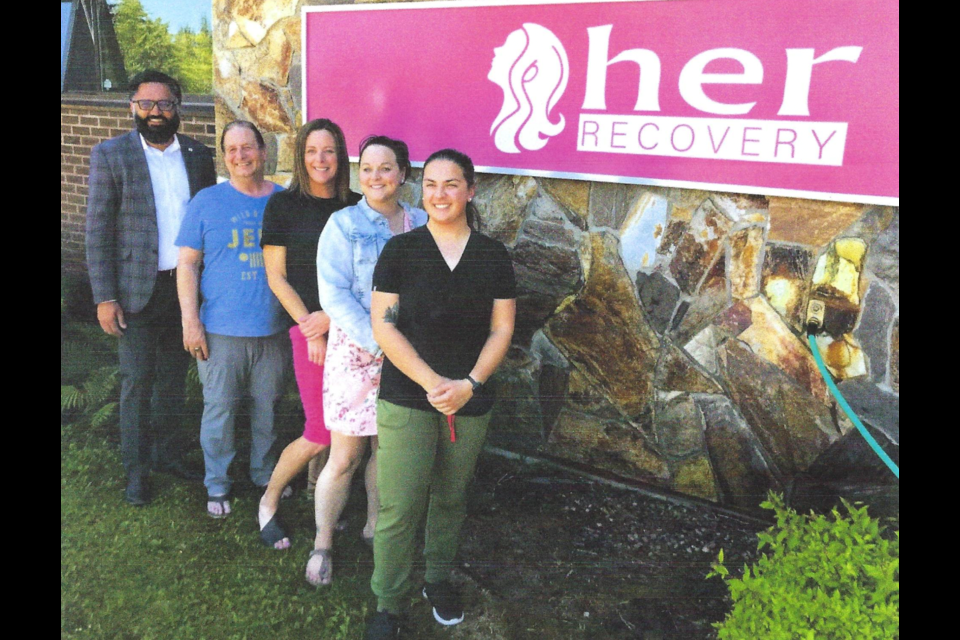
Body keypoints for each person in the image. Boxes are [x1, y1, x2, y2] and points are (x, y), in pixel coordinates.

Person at [365, 149, 516, 639]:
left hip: (470, 399)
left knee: (450, 498)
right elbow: (385, 328)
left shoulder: (493, 256)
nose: (440, 194)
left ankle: (436, 579)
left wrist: (469, 384)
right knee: (400, 505)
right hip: (409, 397)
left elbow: (502, 329)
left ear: (470, 191)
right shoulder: (401, 252)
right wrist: (433, 383)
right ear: (421, 190)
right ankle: (388, 602)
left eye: (452, 184)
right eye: (431, 184)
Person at [86, 70, 216, 506]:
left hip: (184, 290)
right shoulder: (111, 155)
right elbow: (98, 230)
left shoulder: (199, 156)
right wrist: (105, 296)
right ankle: (137, 472)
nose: (155, 112)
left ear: (178, 108)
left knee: (173, 383)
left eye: (164, 104)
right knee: (137, 383)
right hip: (135, 292)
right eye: (146, 104)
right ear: (133, 108)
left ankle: (168, 454)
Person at [308, 136, 427, 586]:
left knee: (386, 449)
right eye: (368, 168)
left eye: (386, 168)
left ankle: (375, 528)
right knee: (345, 455)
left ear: (402, 174)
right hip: (358, 356)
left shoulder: (419, 223)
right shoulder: (342, 224)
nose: (375, 176)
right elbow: (333, 294)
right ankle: (323, 542)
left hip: (405, 359)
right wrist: (379, 341)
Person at [255, 119, 362, 550]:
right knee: (319, 430)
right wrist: (311, 327)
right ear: (301, 156)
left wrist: (332, 318)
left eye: (330, 151)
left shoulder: (357, 206)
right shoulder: (283, 206)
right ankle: (268, 499)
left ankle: (326, 504)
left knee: (347, 432)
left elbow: (365, 278)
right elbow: (277, 277)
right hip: (309, 333)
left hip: (351, 329)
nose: (321, 160)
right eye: (312, 151)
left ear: (341, 157)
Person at [176, 121, 288, 518]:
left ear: (262, 150)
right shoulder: (207, 202)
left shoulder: (282, 200)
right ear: (224, 157)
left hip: (273, 330)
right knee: (219, 410)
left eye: (248, 147)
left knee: (268, 409)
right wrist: (191, 321)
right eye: (232, 149)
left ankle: (265, 475)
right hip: (220, 331)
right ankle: (217, 483)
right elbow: (187, 265)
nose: (240, 156)